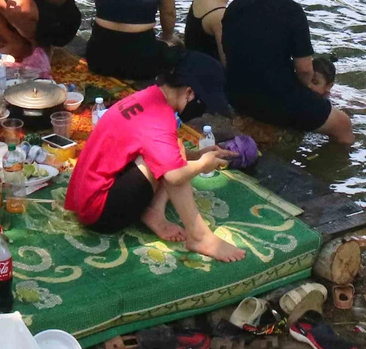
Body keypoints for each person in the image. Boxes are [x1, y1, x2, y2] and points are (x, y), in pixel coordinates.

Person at [65, 68, 245, 261]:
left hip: (87, 197)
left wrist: (197, 155)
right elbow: (175, 176)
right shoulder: (159, 119)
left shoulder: (148, 97)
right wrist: (203, 164)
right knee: (174, 158)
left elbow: (147, 148)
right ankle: (199, 237)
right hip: (99, 212)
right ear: (189, 93)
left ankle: (154, 213)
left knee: (174, 151)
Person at [222, 0, 353, 144]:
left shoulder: (233, 7)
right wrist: (305, 91)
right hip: (272, 101)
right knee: (343, 124)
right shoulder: (291, 11)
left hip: (236, 95)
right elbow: (304, 70)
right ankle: (335, 171)